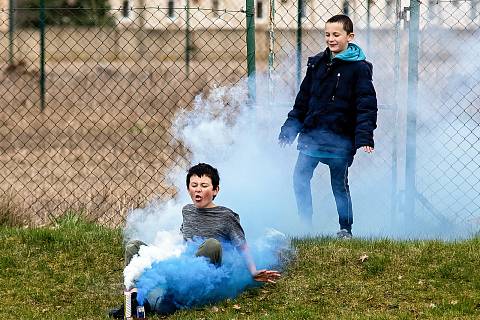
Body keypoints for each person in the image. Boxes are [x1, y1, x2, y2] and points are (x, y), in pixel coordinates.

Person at [111, 163, 280, 318]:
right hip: (182, 263)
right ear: (188, 189)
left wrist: (252, 271)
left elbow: (242, 246)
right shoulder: (187, 211)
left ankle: (173, 297)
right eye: (194, 185)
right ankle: (133, 299)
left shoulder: (227, 216)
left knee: (211, 244)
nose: (198, 190)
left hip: (206, 275)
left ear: (215, 190)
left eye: (204, 186)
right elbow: (181, 239)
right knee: (134, 246)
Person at [278, 14, 377, 239]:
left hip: (339, 140)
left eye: (336, 34)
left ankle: (345, 229)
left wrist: (364, 137)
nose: (331, 39)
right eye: (327, 34)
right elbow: (302, 101)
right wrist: (289, 129)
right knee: (299, 177)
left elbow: (366, 105)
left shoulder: (359, 69)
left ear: (349, 36)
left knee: (339, 186)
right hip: (312, 136)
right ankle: (305, 225)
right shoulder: (317, 64)